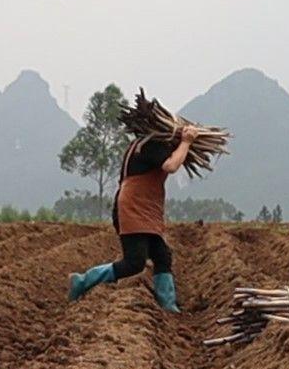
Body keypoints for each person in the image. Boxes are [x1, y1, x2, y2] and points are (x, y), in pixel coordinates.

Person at [69, 123, 199, 311]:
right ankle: (82, 281)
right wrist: (186, 142)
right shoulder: (149, 145)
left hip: (145, 208)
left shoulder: (146, 143)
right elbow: (171, 166)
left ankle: (169, 305)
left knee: (162, 256)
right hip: (133, 208)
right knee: (134, 262)